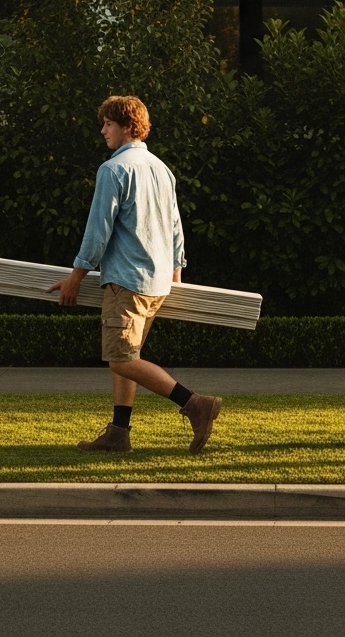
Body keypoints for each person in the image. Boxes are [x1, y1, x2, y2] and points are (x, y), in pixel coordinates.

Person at [48, 96, 222, 454]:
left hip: (127, 281)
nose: (102, 131)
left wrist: (76, 277)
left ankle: (196, 404)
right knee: (128, 357)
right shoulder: (161, 168)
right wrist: (175, 274)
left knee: (120, 358)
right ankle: (118, 434)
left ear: (128, 126)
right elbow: (175, 228)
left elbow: (98, 231)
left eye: (108, 124)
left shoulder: (113, 170)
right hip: (156, 283)